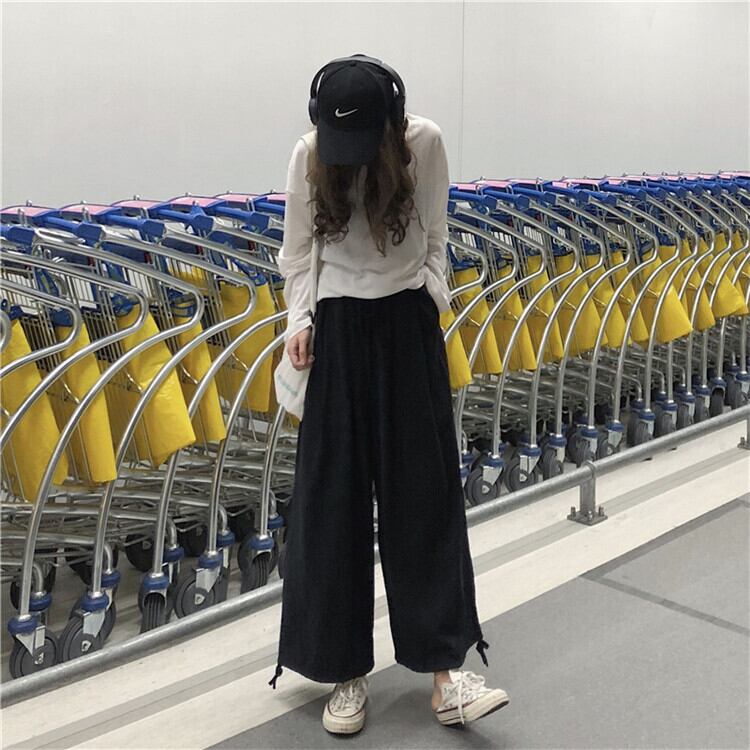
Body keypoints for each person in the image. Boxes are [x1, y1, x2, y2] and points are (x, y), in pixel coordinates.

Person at [268, 53, 510, 734]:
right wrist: (300, 321)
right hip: (337, 329)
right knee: (333, 502)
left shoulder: (423, 142)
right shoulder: (310, 153)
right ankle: (344, 673)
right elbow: (296, 253)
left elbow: (435, 234)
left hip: (407, 324)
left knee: (424, 496)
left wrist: (430, 296)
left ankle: (445, 674)